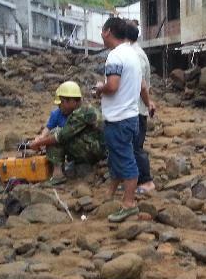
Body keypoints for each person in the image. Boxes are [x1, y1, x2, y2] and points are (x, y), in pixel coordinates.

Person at [94, 17, 145, 222]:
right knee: (117, 157)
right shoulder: (133, 54)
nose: (101, 35)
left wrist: (99, 89)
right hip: (130, 116)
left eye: (101, 31)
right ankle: (111, 194)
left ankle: (129, 203)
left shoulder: (115, 56)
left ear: (107, 31)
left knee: (125, 160)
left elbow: (113, 86)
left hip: (118, 118)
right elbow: (141, 86)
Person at [28, 82, 105, 185]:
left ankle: (58, 175)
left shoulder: (80, 114)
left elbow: (60, 136)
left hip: (95, 151)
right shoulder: (86, 109)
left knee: (56, 135)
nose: (60, 106)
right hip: (98, 149)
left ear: (72, 101)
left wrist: (38, 143)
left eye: (62, 102)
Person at [125, 21, 156, 195]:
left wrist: (147, 102)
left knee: (136, 147)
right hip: (137, 108)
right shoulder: (137, 52)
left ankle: (147, 181)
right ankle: (136, 179)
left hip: (136, 109)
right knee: (134, 146)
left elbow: (141, 86)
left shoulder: (134, 55)